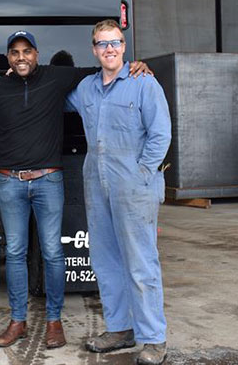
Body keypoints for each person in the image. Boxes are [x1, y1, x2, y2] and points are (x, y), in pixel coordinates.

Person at [0, 30, 151, 350]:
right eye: (14, 52)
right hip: (10, 182)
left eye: (27, 51)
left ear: (37, 54)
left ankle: (54, 322)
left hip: (48, 181)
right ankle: (17, 321)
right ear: (8, 57)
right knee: (14, 253)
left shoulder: (55, 78)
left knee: (52, 253)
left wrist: (135, 64)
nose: (21, 57)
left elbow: (102, 67)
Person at [66, 19, 171, 365]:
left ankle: (153, 338)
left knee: (141, 263)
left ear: (124, 47)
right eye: (102, 43)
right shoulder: (85, 89)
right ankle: (120, 328)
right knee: (106, 261)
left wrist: (142, 174)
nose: (109, 49)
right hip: (97, 186)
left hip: (134, 187)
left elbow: (161, 135)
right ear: (94, 49)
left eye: (115, 42)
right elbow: (51, 94)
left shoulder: (144, 84)